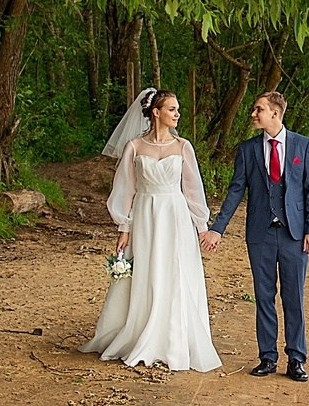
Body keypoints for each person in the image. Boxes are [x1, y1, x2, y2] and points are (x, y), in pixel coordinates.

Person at [82, 87, 222, 372]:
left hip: (175, 216)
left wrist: (201, 226)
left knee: (174, 271)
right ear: (156, 112)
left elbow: (193, 189)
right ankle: (141, 330)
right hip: (145, 215)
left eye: (177, 109)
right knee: (147, 270)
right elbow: (125, 189)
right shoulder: (134, 147)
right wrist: (124, 227)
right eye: (172, 109)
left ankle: (173, 338)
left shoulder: (183, 147)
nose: (177, 114)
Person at [202, 90, 309, 380]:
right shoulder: (248, 149)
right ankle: (267, 357)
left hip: (295, 235)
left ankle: (296, 359)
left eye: (258, 109)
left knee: (294, 297)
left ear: (274, 114)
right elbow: (235, 191)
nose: (253, 114)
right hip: (260, 235)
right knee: (264, 296)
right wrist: (217, 228)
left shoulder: (303, 145)